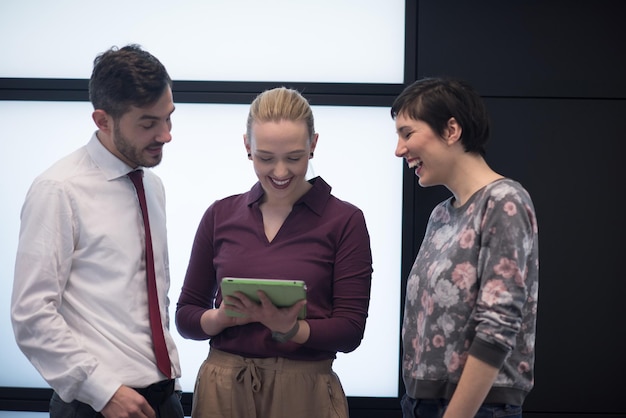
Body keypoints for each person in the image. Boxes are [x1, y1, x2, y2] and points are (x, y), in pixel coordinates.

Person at [176, 86, 373, 418]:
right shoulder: (220, 215)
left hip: (304, 391)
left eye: (294, 158)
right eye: (266, 158)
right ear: (247, 147)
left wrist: (293, 328)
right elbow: (186, 316)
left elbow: (350, 330)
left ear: (313, 145)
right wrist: (221, 318)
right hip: (223, 388)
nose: (280, 172)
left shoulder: (345, 220)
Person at [10, 44, 184, 418]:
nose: (166, 135)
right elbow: (31, 315)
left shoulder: (152, 186)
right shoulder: (59, 189)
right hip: (97, 406)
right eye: (148, 123)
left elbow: (150, 300)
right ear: (103, 121)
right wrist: (103, 392)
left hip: (165, 400)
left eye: (169, 117)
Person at [391, 77, 539, 418]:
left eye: (407, 133)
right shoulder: (441, 214)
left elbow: (498, 325)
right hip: (420, 404)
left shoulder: (504, 201)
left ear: (452, 130)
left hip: (475, 408)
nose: (399, 149)